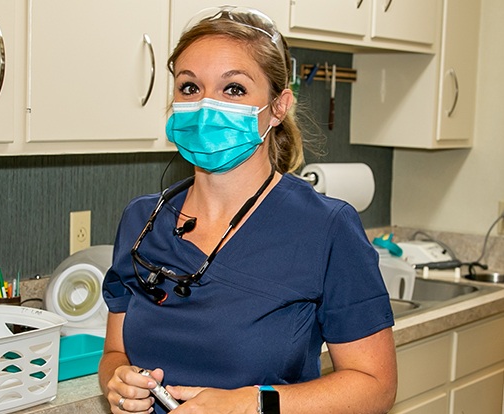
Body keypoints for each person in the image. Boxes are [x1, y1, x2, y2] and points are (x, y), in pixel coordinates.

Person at [99, 6, 397, 414]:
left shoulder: (325, 228)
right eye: (189, 88)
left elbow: (375, 387)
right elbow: (115, 352)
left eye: (233, 89)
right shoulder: (142, 221)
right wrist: (118, 383)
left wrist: (253, 404)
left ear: (278, 107)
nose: (205, 107)